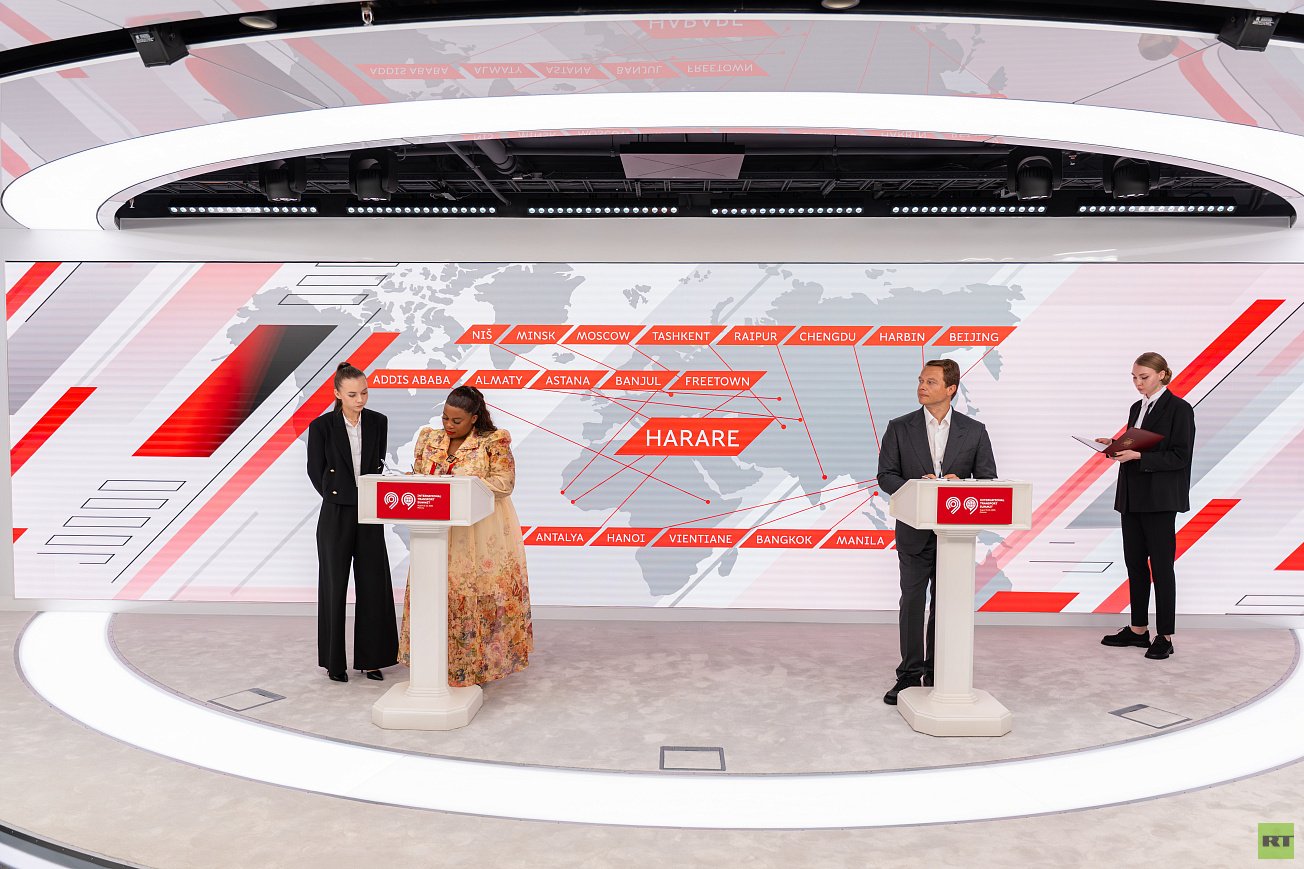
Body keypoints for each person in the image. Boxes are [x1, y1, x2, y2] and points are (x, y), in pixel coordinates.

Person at [876, 359, 998, 705]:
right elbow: (886, 476)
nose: (921, 386)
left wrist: (962, 483)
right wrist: (918, 486)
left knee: (946, 605)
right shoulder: (900, 427)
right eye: (920, 380)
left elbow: (988, 479)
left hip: (955, 537)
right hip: (914, 531)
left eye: (930, 382)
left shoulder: (974, 431)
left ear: (951, 389)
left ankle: (937, 671)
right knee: (913, 602)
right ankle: (909, 674)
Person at [398, 385, 533, 686]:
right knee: (437, 593)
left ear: (474, 418)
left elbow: (505, 484)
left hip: (479, 532)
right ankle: (436, 667)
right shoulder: (429, 439)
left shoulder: (493, 441)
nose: (448, 425)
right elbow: (419, 475)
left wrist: (459, 483)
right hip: (436, 531)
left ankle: (477, 667)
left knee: (475, 593)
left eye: (456, 420)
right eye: (445, 418)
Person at [1098, 352, 1195, 660]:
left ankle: (1165, 636)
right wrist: (1115, 446)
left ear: (1162, 375)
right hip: (1132, 496)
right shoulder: (1136, 407)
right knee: (1135, 564)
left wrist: (1138, 456)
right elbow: (1138, 442)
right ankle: (1138, 630)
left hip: (1160, 499)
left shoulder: (1179, 409)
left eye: (1144, 377)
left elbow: (1180, 456)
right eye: (1134, 377)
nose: (1138, 383)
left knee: (1162, 567)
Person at [306, 362, 398, 683]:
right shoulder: (321, 427)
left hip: (369, 511)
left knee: (374, 583)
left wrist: (365, 496)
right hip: (336, 511)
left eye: (364, 393)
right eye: (352, 394)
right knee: (334, 586)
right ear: (337, 394)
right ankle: (334, 663)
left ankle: (373, 660)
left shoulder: (378, 422)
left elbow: (376, 466)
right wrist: (339, 495)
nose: (360, 400)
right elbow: (315, 470)